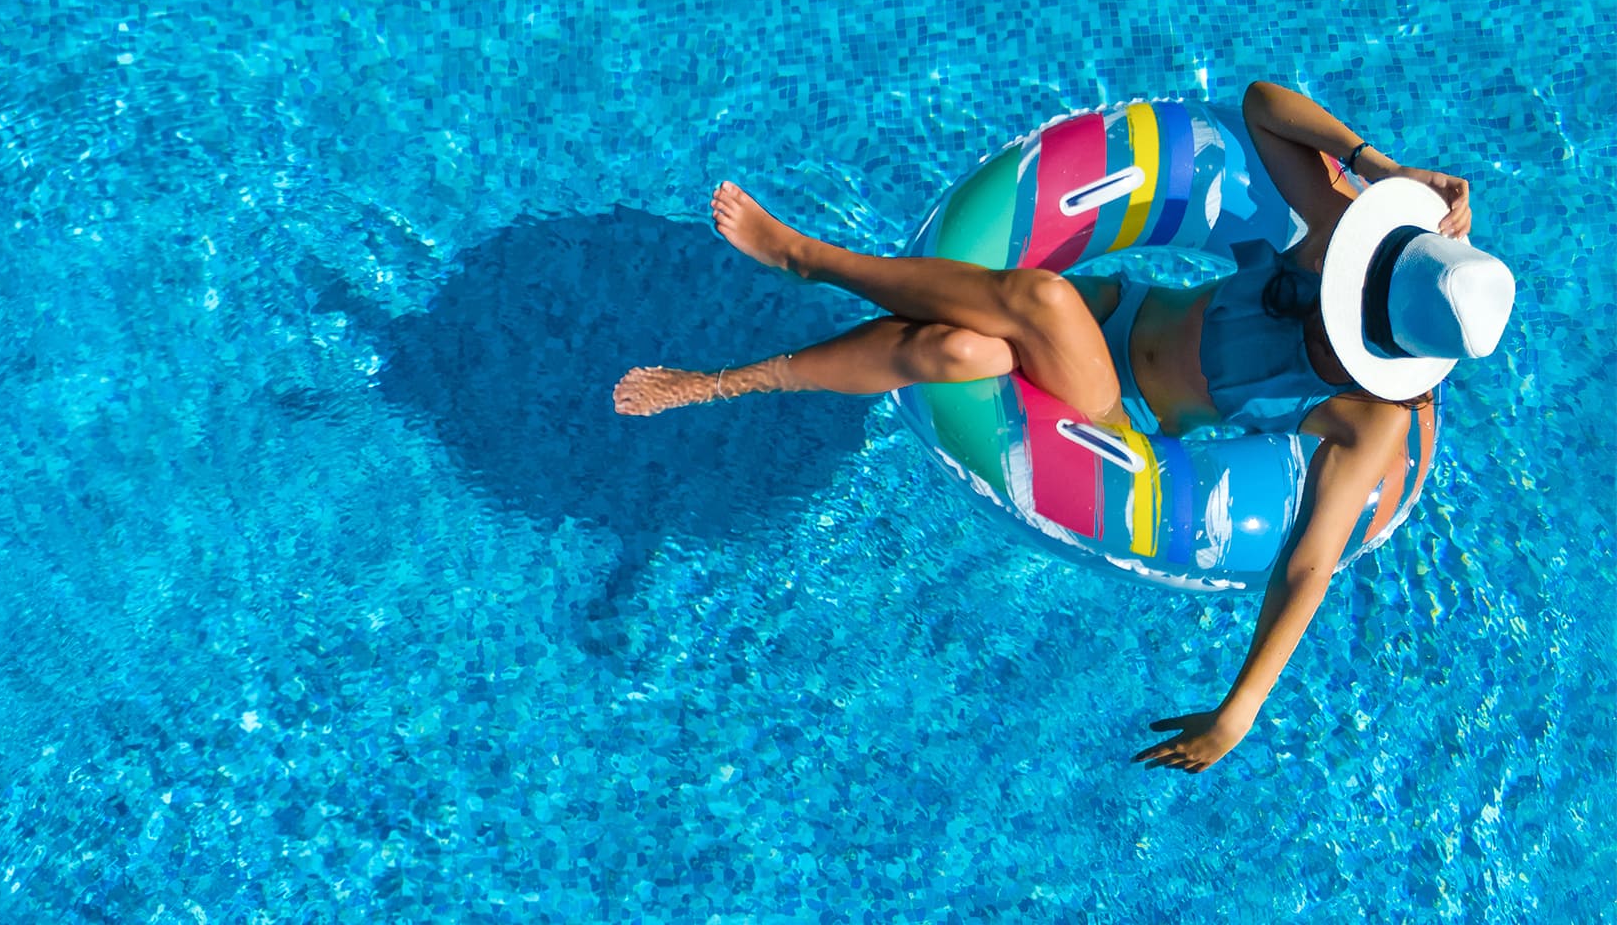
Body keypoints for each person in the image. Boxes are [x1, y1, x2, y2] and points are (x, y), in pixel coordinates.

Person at [613, 81, 1516, 774]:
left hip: (1116, 412)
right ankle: (733, 378)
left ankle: (807, 266)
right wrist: (1377, 164)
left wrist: (1238, 711)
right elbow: (1260, 105)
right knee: (956, 351)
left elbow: (1311, 563)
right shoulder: (1341, 233)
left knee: (1038, 300)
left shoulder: (1369, 418)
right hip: (1113, 309)